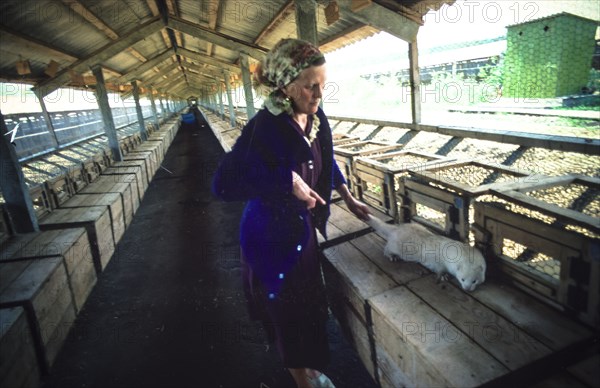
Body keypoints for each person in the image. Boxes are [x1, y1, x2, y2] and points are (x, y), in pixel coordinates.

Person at [212, 38, 370, 388]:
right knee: (286, 312)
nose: (318, 94)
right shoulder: (265, 127)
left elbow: (325, 159)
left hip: (301, 232)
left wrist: (347, 195)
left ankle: (310, 370)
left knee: (311, 304)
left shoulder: (314, 116)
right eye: (311, 86)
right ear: (286, 85)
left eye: (323, 85)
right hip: (270, 238)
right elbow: (224, 183)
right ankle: (302, 380)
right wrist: (287, 180)